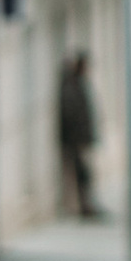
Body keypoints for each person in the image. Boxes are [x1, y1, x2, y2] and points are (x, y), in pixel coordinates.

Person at [56, 49, 100, 220]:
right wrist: (79, 139)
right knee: (81, 173)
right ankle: (81, 205)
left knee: (84, 173)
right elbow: (72, 114)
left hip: (80, 139)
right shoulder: (71, 86)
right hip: (75, 140)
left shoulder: (78, 83)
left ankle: (85, 204)